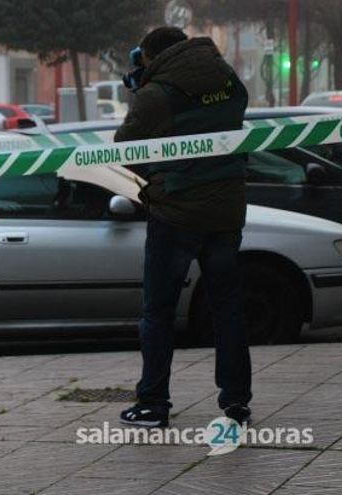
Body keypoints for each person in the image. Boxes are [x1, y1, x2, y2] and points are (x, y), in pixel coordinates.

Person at [115, 27, 252, 428]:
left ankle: (153, 403)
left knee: (158, 311)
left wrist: (141, 94)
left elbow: (126, 146)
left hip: (175, 212)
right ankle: (236, 403)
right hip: (226, 210)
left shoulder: (156, 95)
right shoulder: (228, 79)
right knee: (227, 308)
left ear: (153, 56)